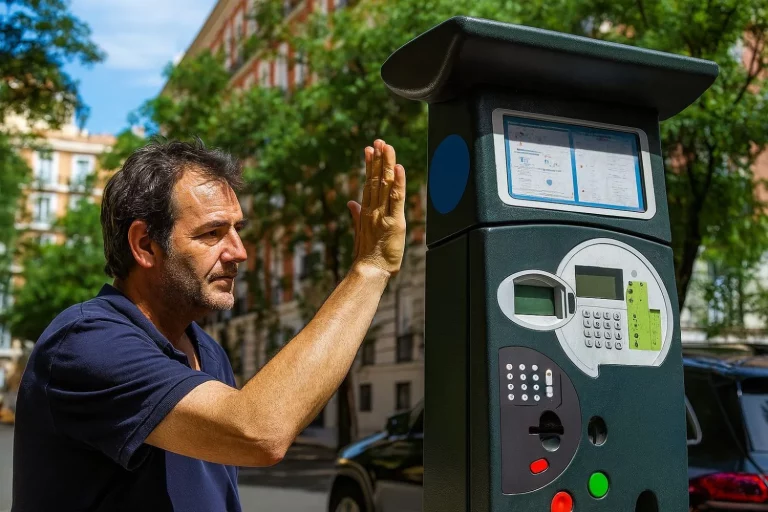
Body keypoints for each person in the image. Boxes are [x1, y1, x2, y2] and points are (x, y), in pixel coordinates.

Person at [11, 137, 407, 512]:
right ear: (145, 245)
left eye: (237, 230)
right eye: (213, 233)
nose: (239, 252)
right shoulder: (86, 342)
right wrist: (369, 270)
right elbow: (259, 431)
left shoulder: (207, 350)